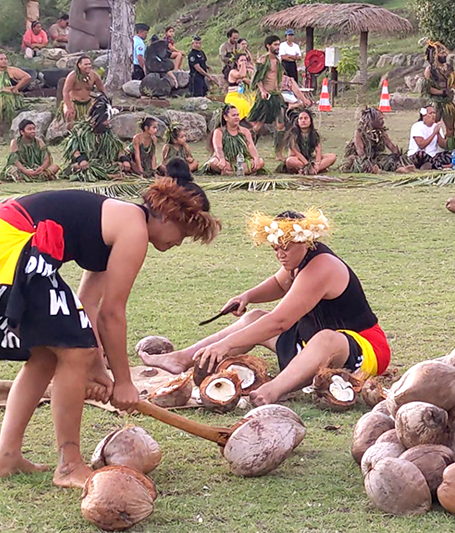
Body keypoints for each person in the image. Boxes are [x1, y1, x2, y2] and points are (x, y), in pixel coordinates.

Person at [0, 173, 220, 489]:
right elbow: (111, 315)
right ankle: (68, 466)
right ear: (166, 214)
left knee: (47, 356)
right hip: (4, 245)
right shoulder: (133, 228)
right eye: (183, 232)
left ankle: (6, 457)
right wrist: (123, 382)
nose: (179, 241)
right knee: (73, 349)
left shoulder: (117, 222)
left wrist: (98, 371)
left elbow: (87, 308)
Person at [143, 209, 391, 407]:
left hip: (364, 349)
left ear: (306, 241)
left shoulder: (322, 266)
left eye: (286, 247)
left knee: (326, 338)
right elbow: (278, 283)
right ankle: (183, 358)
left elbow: (280, 322)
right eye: (276, 249)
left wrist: (226, 344)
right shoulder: (297, 262)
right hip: (308, 347)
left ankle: (273, 390)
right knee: (254, 318)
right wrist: (247, 296)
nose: (281, 255)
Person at [63, 95, 131, 181]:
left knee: (120, 165)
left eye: (109, 119)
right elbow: (73, 150)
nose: (108, 123)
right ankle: (109, 176)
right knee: (79, 167)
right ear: (97, 119)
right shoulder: (81, 131)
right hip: (85, 163)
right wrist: (81, 160)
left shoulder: (107, 132)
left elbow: (118, 149)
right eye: (105, 120)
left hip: (102, 163)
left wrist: (124, 160)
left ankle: (105, 174)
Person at [339, 107, 413, 173]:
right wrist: (368, 163)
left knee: (390, 159)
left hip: (376, 157)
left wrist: (399, 158)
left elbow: (391, 146)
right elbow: (360, 152)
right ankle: (374, 170)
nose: (382, 121)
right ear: (372, 120)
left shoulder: (381, 132)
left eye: (382, 119)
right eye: (380, 119)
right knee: (354, 159)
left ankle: (400, 168)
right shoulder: (359, 132)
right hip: (362, 158)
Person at [421, 41, 455, 155]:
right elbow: (427, 89)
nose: (444, 55)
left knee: (451, 129)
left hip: (448, 103)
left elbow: (454, 82)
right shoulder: (429, 70)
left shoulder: (449, 68)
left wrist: (453, 89)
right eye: (441, 53)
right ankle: (430, 152)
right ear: (435, 55)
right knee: (432, 127)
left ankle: (450, 153)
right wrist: (441, 92)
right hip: (436, 103)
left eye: (445, 52)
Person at [249, 36, 287, 148]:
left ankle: (278, 152)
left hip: (276, 95)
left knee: (280, 124)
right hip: (266, 95)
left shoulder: (278, 61)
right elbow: (257, 78)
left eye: (278, 45)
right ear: (268, 46)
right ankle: (249, 147)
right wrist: (262, 90)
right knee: (259, 125)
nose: (277, 47)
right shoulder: (262, 60)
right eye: (275, 45)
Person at [205, 105, 265, 175]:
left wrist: (256, 158)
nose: (237, 117)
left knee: (260, 162)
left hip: (242, 160)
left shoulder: (245, 131)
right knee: (214, 162)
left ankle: (230, 172)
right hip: (227, 161)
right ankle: (242, 171)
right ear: (225, 117)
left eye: (237, 115)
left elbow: (251, 147)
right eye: (233, 115)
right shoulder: (219, 131)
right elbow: (218, 148)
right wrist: (222, 159)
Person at [278, 110, 336, 174]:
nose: (303, 120)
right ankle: (308, 169)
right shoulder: (293, 134)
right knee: (289, 161)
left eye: (306, 118)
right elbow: (296, 152)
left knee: (332, 156)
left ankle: (313, 170)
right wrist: (307, 165)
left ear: (310, 121)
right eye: (301, 118)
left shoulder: (314, 134)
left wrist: (317, 163)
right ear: (298, 121)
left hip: (310, 158)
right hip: (298, 160)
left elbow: (318, 150)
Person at [62, 56, 107, 129]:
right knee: (70, 116)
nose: (88, 66)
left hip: (88, 104)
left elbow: (102, 89)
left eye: (89, 64)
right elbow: (65, 91)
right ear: (79, 65)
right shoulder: (73, 76)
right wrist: (69, 107)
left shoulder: (94, 75)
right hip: (74, 103)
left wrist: (107, 102)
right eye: (85, 64)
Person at [407, 106, 453, 170]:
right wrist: (434, 133)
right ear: (424, 116)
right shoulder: (417, 126)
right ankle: (441, 166)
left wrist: (438, 133)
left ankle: (431, 165)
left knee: (451, 154)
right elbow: (421, 145)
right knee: (421, 154)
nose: (433, 115)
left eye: (434, 113)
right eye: (430, 113)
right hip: (419, 156)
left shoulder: (436, 127)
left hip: (433, 156)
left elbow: (443, 145)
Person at [225, 54, 255, 120]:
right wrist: (243, 65)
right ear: (237, 62)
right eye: (241, 60)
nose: (244, 62)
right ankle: (251, 124)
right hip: (234, 96)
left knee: (254, 101)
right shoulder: (233, 72)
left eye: (245, 60)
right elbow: (241, 75)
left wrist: (245, 80)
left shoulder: (249, 71)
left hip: (246, 94)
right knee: (243, 105)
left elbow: (254, 83)